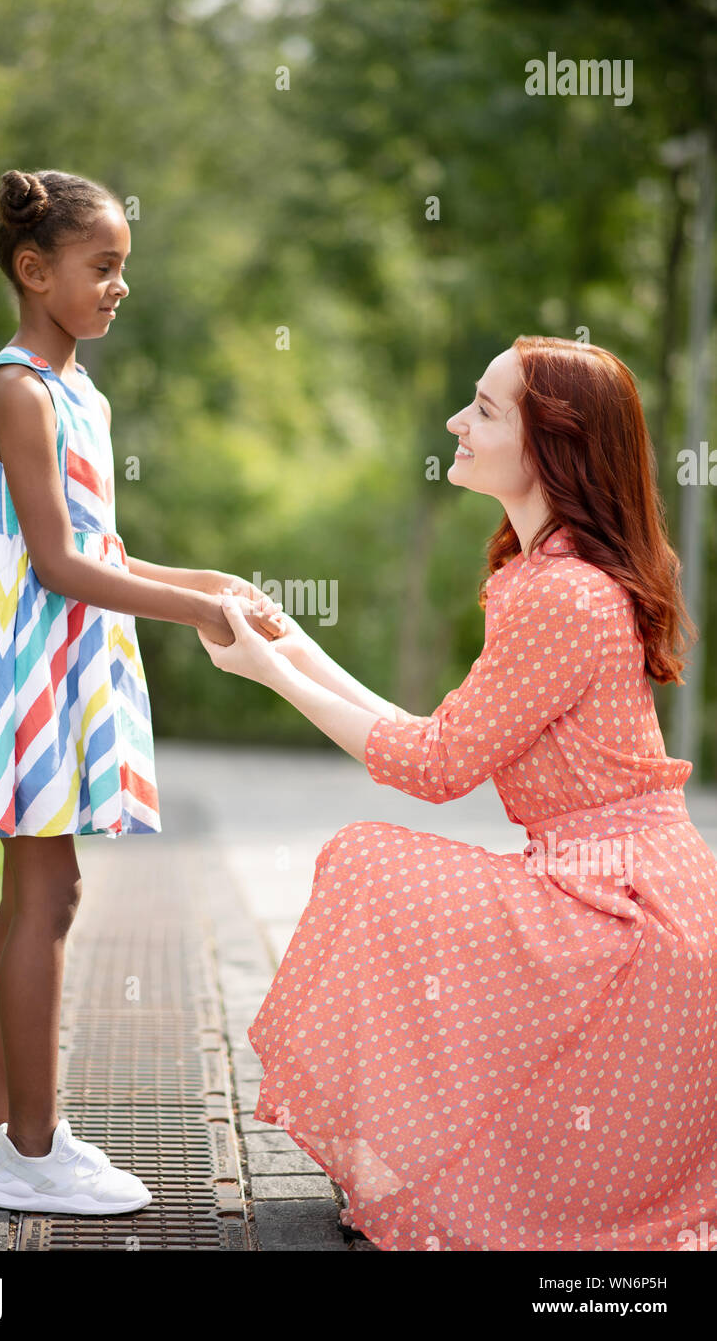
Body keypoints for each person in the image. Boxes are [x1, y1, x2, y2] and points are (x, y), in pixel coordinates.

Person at [199, 336, 717, 1252]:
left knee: (370, 863)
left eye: (483, 408)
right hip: (628, 895)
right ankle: (437, 1167)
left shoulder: (561, 592)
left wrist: (272, 676)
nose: (456, 421)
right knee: (380, 868)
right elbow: (436, 736)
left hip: (622, 913)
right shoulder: (548, 575)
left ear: (552, 443)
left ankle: (442, 1173)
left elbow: (435, 769)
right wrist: (284, 650)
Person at [0, 167, 283, 1217]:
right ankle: (33, 1156)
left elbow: (104, 545)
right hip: (21, 667)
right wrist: (190, 616)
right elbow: (54, 563)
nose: (117, 287)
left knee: (37, 892)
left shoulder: (75, 391)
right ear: (33, 269)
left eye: (123, 269)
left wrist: (212, 583)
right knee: (46, 896)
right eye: (101, 267)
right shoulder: (15, 389)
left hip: (53, 658)